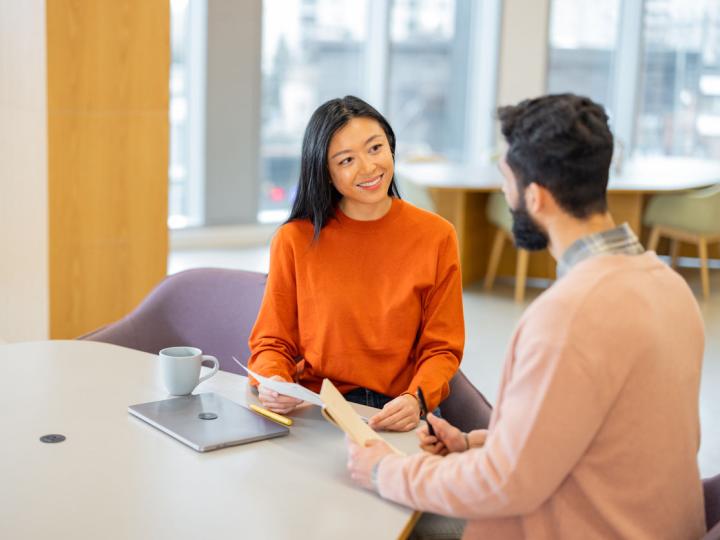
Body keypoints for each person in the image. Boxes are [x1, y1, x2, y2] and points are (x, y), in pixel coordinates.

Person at [346, 94, 706, 538]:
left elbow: (504, 484)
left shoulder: (569, 316)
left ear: (534, 197)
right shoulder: (670, 287)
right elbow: (606, 437)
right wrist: (477, 442)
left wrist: (385, 471)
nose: (504, 192)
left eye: (506, 180)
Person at [248, 96, 464, 432]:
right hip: (317, 405)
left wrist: (417, 399)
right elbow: (272, 341)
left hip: (401, 408)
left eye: (375, 148)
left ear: (391, 147)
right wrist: (274, 381)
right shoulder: (294, 240)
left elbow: (442, 348)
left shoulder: (437, 236)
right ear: (325, 172)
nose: (367, 167)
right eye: (346, 160)